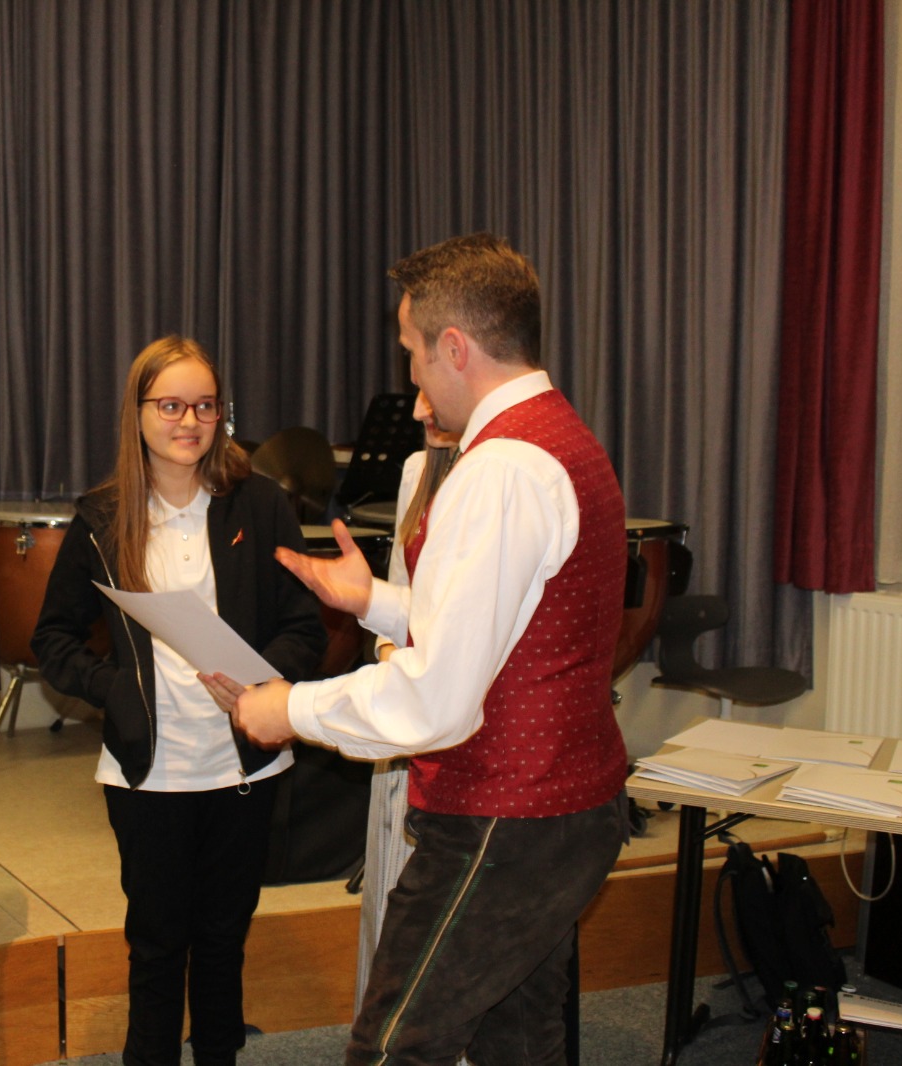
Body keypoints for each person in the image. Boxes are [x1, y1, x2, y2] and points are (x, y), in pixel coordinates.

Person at [221, 233, 630, 1066]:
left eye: (412, 352)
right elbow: (503, 628)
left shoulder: (500, 468)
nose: (411, 378)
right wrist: (374, 600)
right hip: (566, 807)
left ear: (455, 347)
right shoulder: (561, 436)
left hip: (504, 819)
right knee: (520, 1041)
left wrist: (289, 708)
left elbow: (437, 698)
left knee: (395, 1046)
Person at [31, 336, 327, 1066]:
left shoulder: (260, 503)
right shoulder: (103, 516)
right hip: (150, 773)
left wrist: (263, 681)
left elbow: (304, 628)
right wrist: (116, 687)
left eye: (205, 406)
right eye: (170, 405)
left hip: (245, 764)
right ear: (137, 413)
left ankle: (220, 1053)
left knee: (224, 938)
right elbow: (54, 638)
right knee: (157, 944)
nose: (189, 421)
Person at [353, 391, 458, 1014]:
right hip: (406, 716)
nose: (419, 408)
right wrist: (392, 653)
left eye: (427, 386)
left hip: (463, 733)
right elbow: (400, 598)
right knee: (391, 913)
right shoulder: (418, 471)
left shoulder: (508, 471)